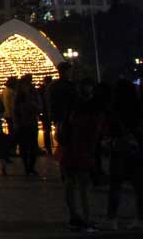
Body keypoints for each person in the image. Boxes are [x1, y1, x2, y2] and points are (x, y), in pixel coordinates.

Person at [57, 85, 104, 231]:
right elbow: (94, 137)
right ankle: (86, 217)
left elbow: (60, 134)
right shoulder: (91, 118)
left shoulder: (70, 116)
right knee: (83, 186)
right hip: (82, 153)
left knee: (70, 184)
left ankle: (74, 216)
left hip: (68, 152)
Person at [105, 79, 142, 230]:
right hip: (136, 149)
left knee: (115, 186)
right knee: (139, 186)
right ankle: (139, 218)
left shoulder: (114, 109)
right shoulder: (138, 107)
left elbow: (110, 131)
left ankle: (112, 219)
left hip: (119, 150)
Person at [48, 61, 77, 143]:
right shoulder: (69, 85)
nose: (71, 73)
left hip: (61, 117)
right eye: (69, 71)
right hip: (66, 117)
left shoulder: (53, 86)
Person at [40, 76, 54, 155]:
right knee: (47, 130)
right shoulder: (44, 90)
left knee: (47, 130)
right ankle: (48, 147)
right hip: (46, 113)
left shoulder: (46, 90)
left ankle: (48, 147)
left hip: (48, 112)